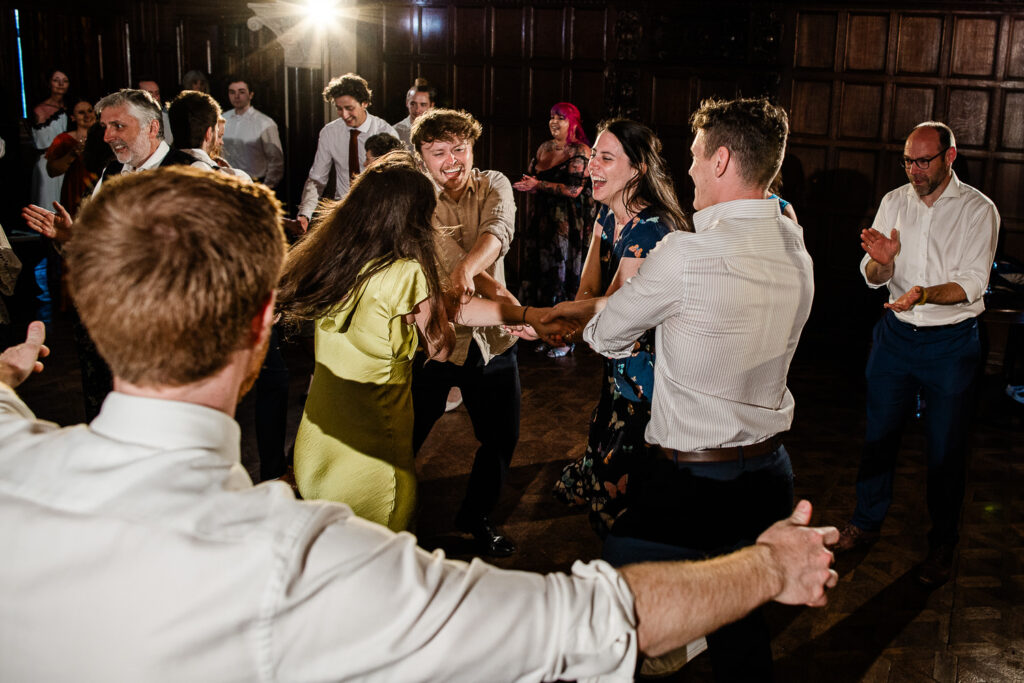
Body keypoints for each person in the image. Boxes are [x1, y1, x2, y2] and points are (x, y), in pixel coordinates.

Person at [0, 165, 838, 682]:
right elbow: (580, 623)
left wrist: (9, 369)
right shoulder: (303, 566)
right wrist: (769, 564)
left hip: (325, 431)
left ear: (92, 305)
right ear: (260, 322)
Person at [547, 97, 815, 681]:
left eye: (695, 156)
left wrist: (631, 334)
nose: (688, 168)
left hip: (693, 483)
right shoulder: (795, 243)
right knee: (741, 629)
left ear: (721, 161)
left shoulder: (684, 255)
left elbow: (607, 336)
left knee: (618, 616)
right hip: (770, 476)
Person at [279, 151, 567, 531]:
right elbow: (441, 347)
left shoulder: (331, 258)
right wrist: (517, 315)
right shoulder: (405, 272)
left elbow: (445, 306)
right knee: (380, 545)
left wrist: (522, 314)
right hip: (374, 456)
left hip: (319, 441)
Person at [831, 122, 1000, 588]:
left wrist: (923, 294)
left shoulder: (978, 209)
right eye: (908, 161)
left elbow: (972, 283)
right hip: (895, 337)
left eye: (924, 161)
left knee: (945, 449)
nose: (914, 170)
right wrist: (882, 264)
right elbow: (872, 275)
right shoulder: (894, 201)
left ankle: (942, 542)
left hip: (951, 343)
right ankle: (865, 522)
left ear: (950, 157)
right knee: (879, 436)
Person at [21, 88, 193, 419]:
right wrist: (70, 236)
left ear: (152, 127)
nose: (107, 136)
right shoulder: (112, 172)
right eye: (105, 127)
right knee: (107, 417)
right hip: (104, 329)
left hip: (158, 331)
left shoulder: (189, 174)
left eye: (118, 126)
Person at [552, 118, 687, 536]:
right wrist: (560, 323)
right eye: (593, 154)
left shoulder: (652, 229)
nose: (591, 165)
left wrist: (549, 322)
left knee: (626, 482)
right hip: (617, 357)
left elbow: (614, 310)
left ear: (638, 169)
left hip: (647, 369)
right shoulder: (608, 214)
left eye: (606, 158)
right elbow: (588, 290)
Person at [408, 108, 529, 556]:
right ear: (421, 157)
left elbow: (499, 231)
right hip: (432, 341)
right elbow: (442, 258)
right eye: (438, 152)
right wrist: (514, 307)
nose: (451, 160)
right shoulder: (415, 200)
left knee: (501, 437)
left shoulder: (494, 183)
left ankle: (476, 515)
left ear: (472, 148)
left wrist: (467, 273)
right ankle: (390, 514)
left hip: (491, 339)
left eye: (459, 148)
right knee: (406, 435)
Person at [514, 102, 595, 359]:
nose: (554, 122)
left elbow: (574, 189)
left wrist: (538, 185)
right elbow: (532, 176)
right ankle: (544, 333)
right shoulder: (544, 148)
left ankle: (564, 339)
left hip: (567, 225)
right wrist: (529, 185)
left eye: (561, 117)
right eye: (552, 117)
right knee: (542, 277)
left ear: (573, 122)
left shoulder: (580, 150)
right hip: (542, 220)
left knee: (561, 278)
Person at [296, 73, 397, 230]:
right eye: (339, 108)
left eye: (349, 108)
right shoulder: (330, 132)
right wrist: (305, 213)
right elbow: (317, 179)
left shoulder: (385, 132)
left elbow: (395, 183)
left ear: (364, 103)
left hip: (377, 215)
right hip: (343, 212)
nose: (344, 115)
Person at [222, 77, 284, 188]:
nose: (236, 96)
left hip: (254, 184)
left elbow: (276, 160)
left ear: (251, 95)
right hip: (226, 184)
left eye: (241, 92)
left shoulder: (265, 123)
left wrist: (266, 187)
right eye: (232, 92)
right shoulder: (223, 119)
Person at [44, 97, 97, 219]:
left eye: (90, 111)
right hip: (76, 190)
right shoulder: (64, 139)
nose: (87, 115)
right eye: (81, 112)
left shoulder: (107, 136)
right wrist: (72, 154)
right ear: (73, 117)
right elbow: (52, 171)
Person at [392, 77, 435, 147]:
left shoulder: (439, 130)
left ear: (431, 106)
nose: (417, 110)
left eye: (423, 105)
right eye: (413, 104)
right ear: (407, 103)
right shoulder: (395, 131)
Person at [137, 76, 173, 145]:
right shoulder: (130, 120)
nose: (155, 98)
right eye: (150, 94)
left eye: (157, 93)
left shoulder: (167, 119)